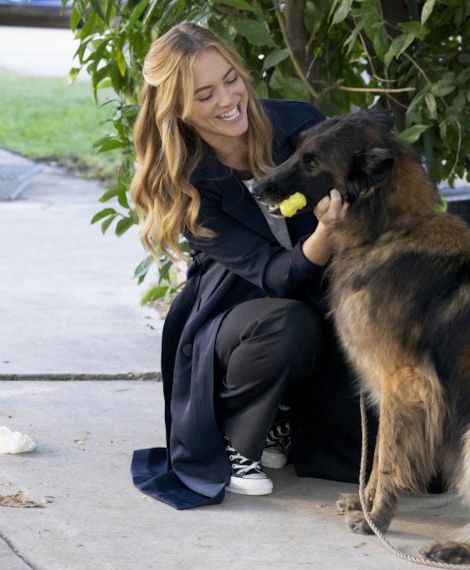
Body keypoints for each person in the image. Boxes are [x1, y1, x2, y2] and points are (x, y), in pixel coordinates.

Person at [127, 22, 371, 509]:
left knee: (397, 464)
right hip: (237, 312)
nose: (227, 99)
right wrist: (325, 232)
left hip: (324, 299)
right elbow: (274, 275)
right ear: (176, 107)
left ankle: (285, 415)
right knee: (287, 324)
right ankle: (240, 441)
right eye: (205, 94)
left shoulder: (297, 123)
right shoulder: (187, 182)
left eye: (231, 79)